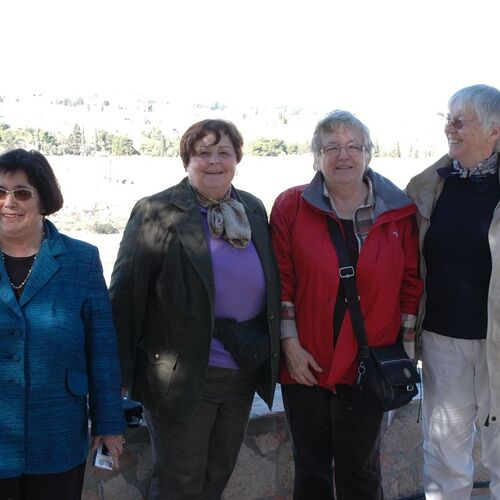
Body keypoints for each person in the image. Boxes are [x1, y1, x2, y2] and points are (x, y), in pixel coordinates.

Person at [109, 118, 281, 500]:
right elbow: (124, 298)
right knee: (179, 484)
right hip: (183, 377)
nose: (214, 161)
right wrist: (115, 378)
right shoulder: (156, 212)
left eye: (224, 152)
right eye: (203, 153)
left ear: (237, 158)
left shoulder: (251, 208)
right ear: (187, 160)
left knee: (216, 476)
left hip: (241, 372)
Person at [270, 110, 422, 500]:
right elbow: (282, 281)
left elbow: (410, 283)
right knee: (312, 468)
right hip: (305, 360)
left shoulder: (398, 212)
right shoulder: (290, 206)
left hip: (368, 364)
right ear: (316, 156)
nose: (344, 155)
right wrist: (290, 345)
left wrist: (402, 354)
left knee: (360, 470)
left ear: (369, 154)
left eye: (354, 146)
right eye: (332, 147)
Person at [0, 149, 124, 500]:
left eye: (21, 193)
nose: (9, 202)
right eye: (0, 192)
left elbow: (101, 348)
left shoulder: (80, 259)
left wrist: (109, 423)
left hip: (57, 430)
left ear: (43, 199)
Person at [406, 84, 500, 499]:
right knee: (443, 454)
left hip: (498, 344)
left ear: (494, 130)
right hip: (443, 340)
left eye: (460, 120)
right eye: (448, 118)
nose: (450, 127)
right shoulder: (430, 186)